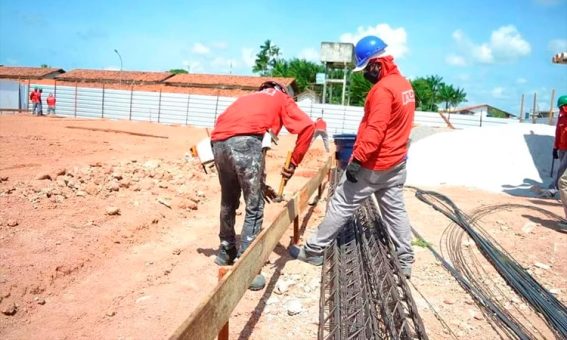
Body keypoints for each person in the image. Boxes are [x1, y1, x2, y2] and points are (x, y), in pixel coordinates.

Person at [289, 35, 417, 279]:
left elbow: (375, 130)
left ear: (376, 64)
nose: (366, 75)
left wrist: (357, 160)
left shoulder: (382, 90)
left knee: (341, 203)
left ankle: (313, 251)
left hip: (375, 164)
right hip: (397, 162)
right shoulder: (404, 86)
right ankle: (405, 260)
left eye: (366, 69)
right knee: (395, 209)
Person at [210, 80, 315, 290]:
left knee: (228, 201)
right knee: (255, 207)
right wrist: (293, 162)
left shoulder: (247, 99)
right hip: (247, 141)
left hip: (218, 143)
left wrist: (261, 184)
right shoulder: (281, 98)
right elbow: (308, 127)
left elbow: (231, 134)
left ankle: (225, 250)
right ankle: (246, 268)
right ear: (284, 92)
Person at [554, 95, 567, 226]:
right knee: (563, 180)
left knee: (563, 182)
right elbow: (558, 132)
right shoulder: (561, 117)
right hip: (563, 148)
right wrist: (555, 147)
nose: (562, 110)